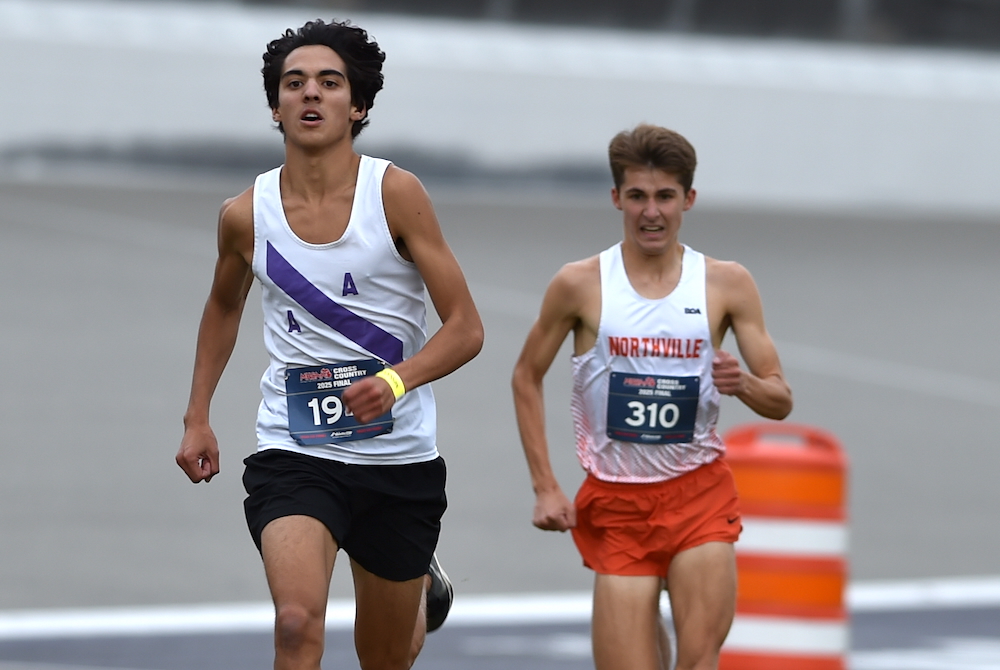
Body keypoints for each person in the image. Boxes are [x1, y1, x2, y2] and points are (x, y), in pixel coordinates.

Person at [175, 19, 483, 670]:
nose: (310, 94)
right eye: (294, 83)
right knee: (294, 624)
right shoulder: (245, 214)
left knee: (385, 656)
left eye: (329, 82)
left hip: (397, 462)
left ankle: (420, 581)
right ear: (275, 105)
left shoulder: (395, 194)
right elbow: (223, 305)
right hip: (295, 451)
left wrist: (396, 381)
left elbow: (465, 327)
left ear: (358, 104)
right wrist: (197, 414)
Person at [511, 124, 792, 670]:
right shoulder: (580, 284)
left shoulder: (727, 284)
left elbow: (780, 398)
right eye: (637, 196)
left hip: (699, 495)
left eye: (665, 196)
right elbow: (526, 375)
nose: (651, 212)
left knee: (699, 659)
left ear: (688, 199)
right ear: (617, 198)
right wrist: (546, 487)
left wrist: (746, 386)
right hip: (616, 504)